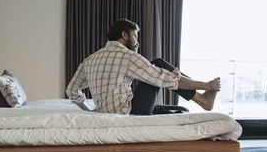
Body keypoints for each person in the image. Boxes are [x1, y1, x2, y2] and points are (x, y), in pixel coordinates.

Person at [66, 18, 221, 115]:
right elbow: (164, 78)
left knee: (169, 109)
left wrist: (89, 110)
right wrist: (206, 85)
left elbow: (71, 90)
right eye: (135, 36)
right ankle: (202, 100)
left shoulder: (90, 60)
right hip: (131, 111)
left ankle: (192, 102)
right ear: (124, 35)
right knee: (159, 64)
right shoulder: (128, 56)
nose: (137, 42)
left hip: (111, 109)